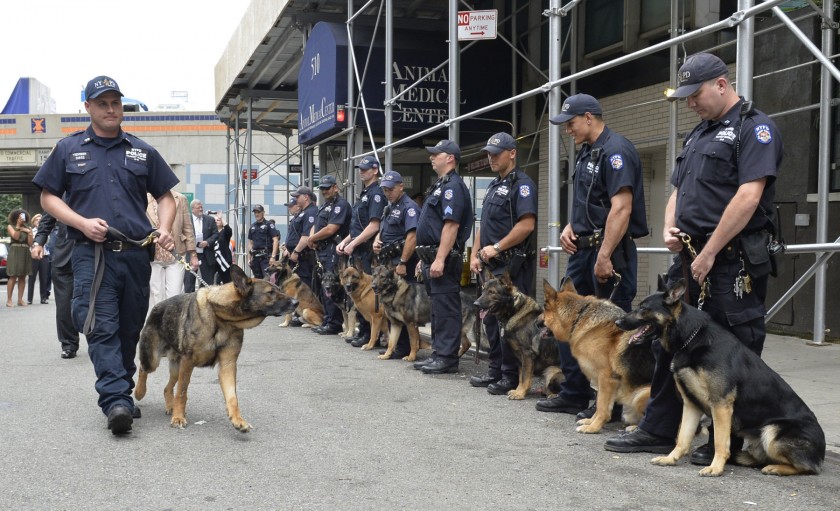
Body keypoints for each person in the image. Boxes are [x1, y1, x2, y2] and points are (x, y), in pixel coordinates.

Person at [604, 53, 783, 462]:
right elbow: (677, 191)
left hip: (731, 260)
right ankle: (660, 430)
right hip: (689, 258)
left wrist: (711, 251)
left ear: (722, 84)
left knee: (735, 350)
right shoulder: (698, 135)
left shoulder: (754, 129)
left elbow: (748, 196)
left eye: (695, 94)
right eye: (684, 97)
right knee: (669, 344)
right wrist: (670, 227)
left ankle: (728, 443)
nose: (690, 104)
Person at [32, 75, 178, 435]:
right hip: (90, 256)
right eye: (102, 103)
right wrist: (81, 223)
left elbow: (166, 196)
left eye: (115, 102)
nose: (111, 109)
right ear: (88, 108)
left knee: (130, 329)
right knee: (101, 327)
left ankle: (122, 392)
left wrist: (165, 228)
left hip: (134, 254)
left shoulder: (142, 150)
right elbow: (48, 198)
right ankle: (115, 401)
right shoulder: (68, 149)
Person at [539, 93, 648, 418]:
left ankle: (611, 407)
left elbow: (621, 208)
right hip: (583, 250)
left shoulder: (617, 151)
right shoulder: (588, 152)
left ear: (589, 117)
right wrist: (572, 226)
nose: (567, 130)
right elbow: (593, 202)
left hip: (608, 254)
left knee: (609, 335)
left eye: (570, 123)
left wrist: (604, 255)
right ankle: (574, 393)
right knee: (565, 321)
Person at [468, 133, 537, 394]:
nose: (491, 157)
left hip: (511, 267)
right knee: (489, 320)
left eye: (497, 153)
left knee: (512, 324)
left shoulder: (523, 184)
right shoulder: (494, 185)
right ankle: (495, 370)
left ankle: (511, 376)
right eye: (489, 153)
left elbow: (527, 225)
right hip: (490, 267)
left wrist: (496, 248)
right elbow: (482, 227)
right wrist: (474, 255)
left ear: (512, 153)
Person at [413, 140, 473, 374]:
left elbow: (451, 225)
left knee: (447, 308)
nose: (431, 158)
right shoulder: (441, 185)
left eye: (436, 154)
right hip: (432, 256)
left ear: (450, 158)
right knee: (437, 308)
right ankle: (439, 353)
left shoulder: (453, 187)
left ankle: (447, 357)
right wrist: (425, 257)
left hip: (444, 259)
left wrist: (439, 259)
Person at [371, 171, 421, 357]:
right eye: (384, 189)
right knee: (393, 307)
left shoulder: (409, 207)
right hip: (388, 263)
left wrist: (402, 262)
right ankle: (398, 347)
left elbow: (412, 237)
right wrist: (377, 239)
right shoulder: (389, 207)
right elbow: (383, 229)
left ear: (401, 186)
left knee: (406, 310)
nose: (387, 192)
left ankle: (408, 348)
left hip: (402, 263)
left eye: (390, 189)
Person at [338, 156, 386, 346]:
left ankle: (368, 334)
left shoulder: (376, 194)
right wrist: (345, 241)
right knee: (358, 294)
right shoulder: (364, 193)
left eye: (365, 169)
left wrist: (353, 243)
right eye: (361, 169)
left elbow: (374, 226)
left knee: (368, 294)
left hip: (367, 250)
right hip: (358, 247)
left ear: (375, 170)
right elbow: (358, 226)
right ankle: (363, 331)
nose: (361, 172)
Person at [307, 175, 351, 335]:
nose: (324, 191)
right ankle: (328, 320)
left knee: (331, 285)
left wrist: (312, 238)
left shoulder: (341, 205)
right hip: (322, 250)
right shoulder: (325, 205)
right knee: (323, 286)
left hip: (333, 249)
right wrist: (312, 237)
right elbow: (316, 225)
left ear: (335, 187)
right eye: (322, 188)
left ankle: (334, 323)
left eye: (327, 188)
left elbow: (331, 228)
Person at [33, 213, 80, 359]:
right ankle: (68, 344)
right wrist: (38, 243)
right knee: (64, 305)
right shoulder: (59, 194)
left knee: (96, 303)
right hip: (63, 258)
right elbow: (46, 222)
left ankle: (101, 342)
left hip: (95, 255)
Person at [147, 191, 197, 306]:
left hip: (176, 253)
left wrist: (193, 254)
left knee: (175, 294)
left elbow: (188, 228)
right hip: (153, 255)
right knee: (156, 294)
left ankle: (174, 323)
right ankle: (156, 322)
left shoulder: (180, 198)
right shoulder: (144, 198)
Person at [284, 186, 319, 309]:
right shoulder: (303, 212)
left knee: (306, 287)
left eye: (297, 197)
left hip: (304, 256)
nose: (296, 199)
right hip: (297, 256)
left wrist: (296, 251)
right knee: (300, 287)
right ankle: (301, 311)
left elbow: (306, 236)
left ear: (306, 197)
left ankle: (310, 311)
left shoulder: (311, 212)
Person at [184, 199, 218, 291]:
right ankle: (189, 301)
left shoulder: (210, 220)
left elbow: (215, 234)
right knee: (189, 281)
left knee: (208, 283)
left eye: (201, 207)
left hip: (206, 255)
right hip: (191, 254)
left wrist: (207, 242)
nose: (201, 209)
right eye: (198, 207)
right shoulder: (187, 220)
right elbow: (182, 234)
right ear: (192, 209)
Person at [6, 209, 33, 307]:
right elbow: (16, 237)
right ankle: (9, 300)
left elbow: (30, 243)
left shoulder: (28, 228)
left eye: (23, 216)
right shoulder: (11, 226)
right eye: (19, 216)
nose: (21, 218)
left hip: (25, 251)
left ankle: (20, 299)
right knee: (13, 275)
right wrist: (18, 226)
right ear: (15, 217)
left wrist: (29, 233)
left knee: (22, 276)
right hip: (15, 251)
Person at [247, 204, 279, 279]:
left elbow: (275, 240)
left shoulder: (269, 225)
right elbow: (250, 243)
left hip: (266, 258)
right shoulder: (252, 226)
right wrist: (249, 257)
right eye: (255, 212)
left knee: (267, 279)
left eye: (258, 212)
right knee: (257, 280)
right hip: (255, 258)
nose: (256, 214)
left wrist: (273, 257)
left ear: (263, 212)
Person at [28, 213, 51, 305]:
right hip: (33, 256)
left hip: (44, 255)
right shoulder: (31, 231)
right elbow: (30, 243)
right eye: (37, 220)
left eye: (40, 220)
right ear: (33, 222)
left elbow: (47, 241)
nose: (39, 221)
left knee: (44, 277)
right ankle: (29, 298)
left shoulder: (46, 231)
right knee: (32, 278)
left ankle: (43, 298)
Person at [213, 212, 233, 284]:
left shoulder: (224, 232)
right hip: (214, 260)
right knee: (211, 280)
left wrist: (221, 217)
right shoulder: (212, 233)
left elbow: (229, 230)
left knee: (227, 281)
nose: (216, 222)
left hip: (224, 260)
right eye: (214, 221)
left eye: (218, 220)